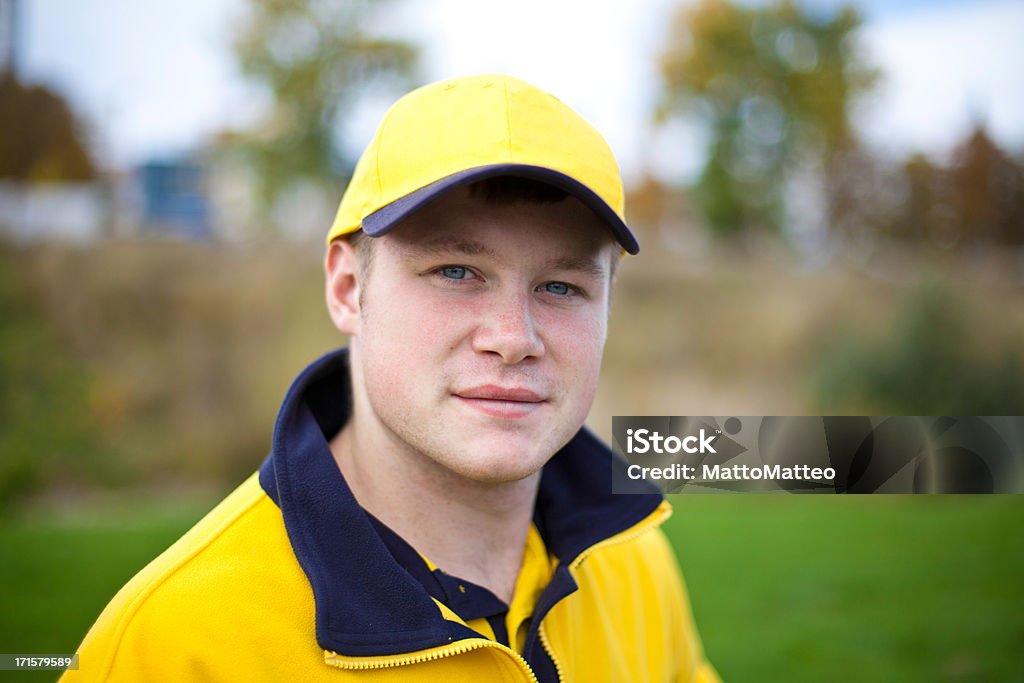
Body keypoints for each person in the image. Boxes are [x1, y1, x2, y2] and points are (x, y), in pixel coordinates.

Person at [64, 74, 719, 682]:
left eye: (561, 285)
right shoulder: (173, 644)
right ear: (349, 288)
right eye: (456, 272)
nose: (515, 338)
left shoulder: (633, 562)